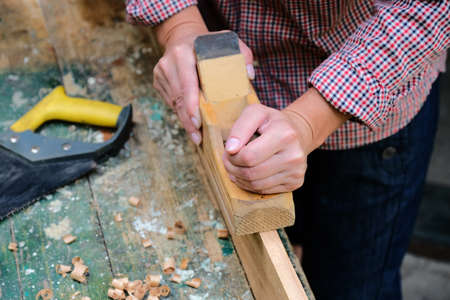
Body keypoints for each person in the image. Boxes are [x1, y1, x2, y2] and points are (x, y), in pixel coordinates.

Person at [126, 1, 449, 299]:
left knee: (355, 287)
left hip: (367, 112)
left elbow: (429, 9)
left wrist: (308, 122)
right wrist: (179, 27)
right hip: (221, 53)